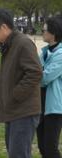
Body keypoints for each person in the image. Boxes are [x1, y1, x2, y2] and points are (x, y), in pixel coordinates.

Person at [0, 8, 42, 158]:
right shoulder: (10, 44)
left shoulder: (23, 43)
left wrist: (15, 95)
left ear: (4, 27)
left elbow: (35, 72)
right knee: (15, 154)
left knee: (19, 155)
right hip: (13, 111)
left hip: (23, 111)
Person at [37, 16, 62, 158]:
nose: (42, 32)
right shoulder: (45, 52)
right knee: (42, 147)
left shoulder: (61, 54)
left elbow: (44, 78)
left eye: (44, 30)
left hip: (54, 108)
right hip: (40, 106)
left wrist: (35, 74)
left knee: (50, 148)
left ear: (53, 33)